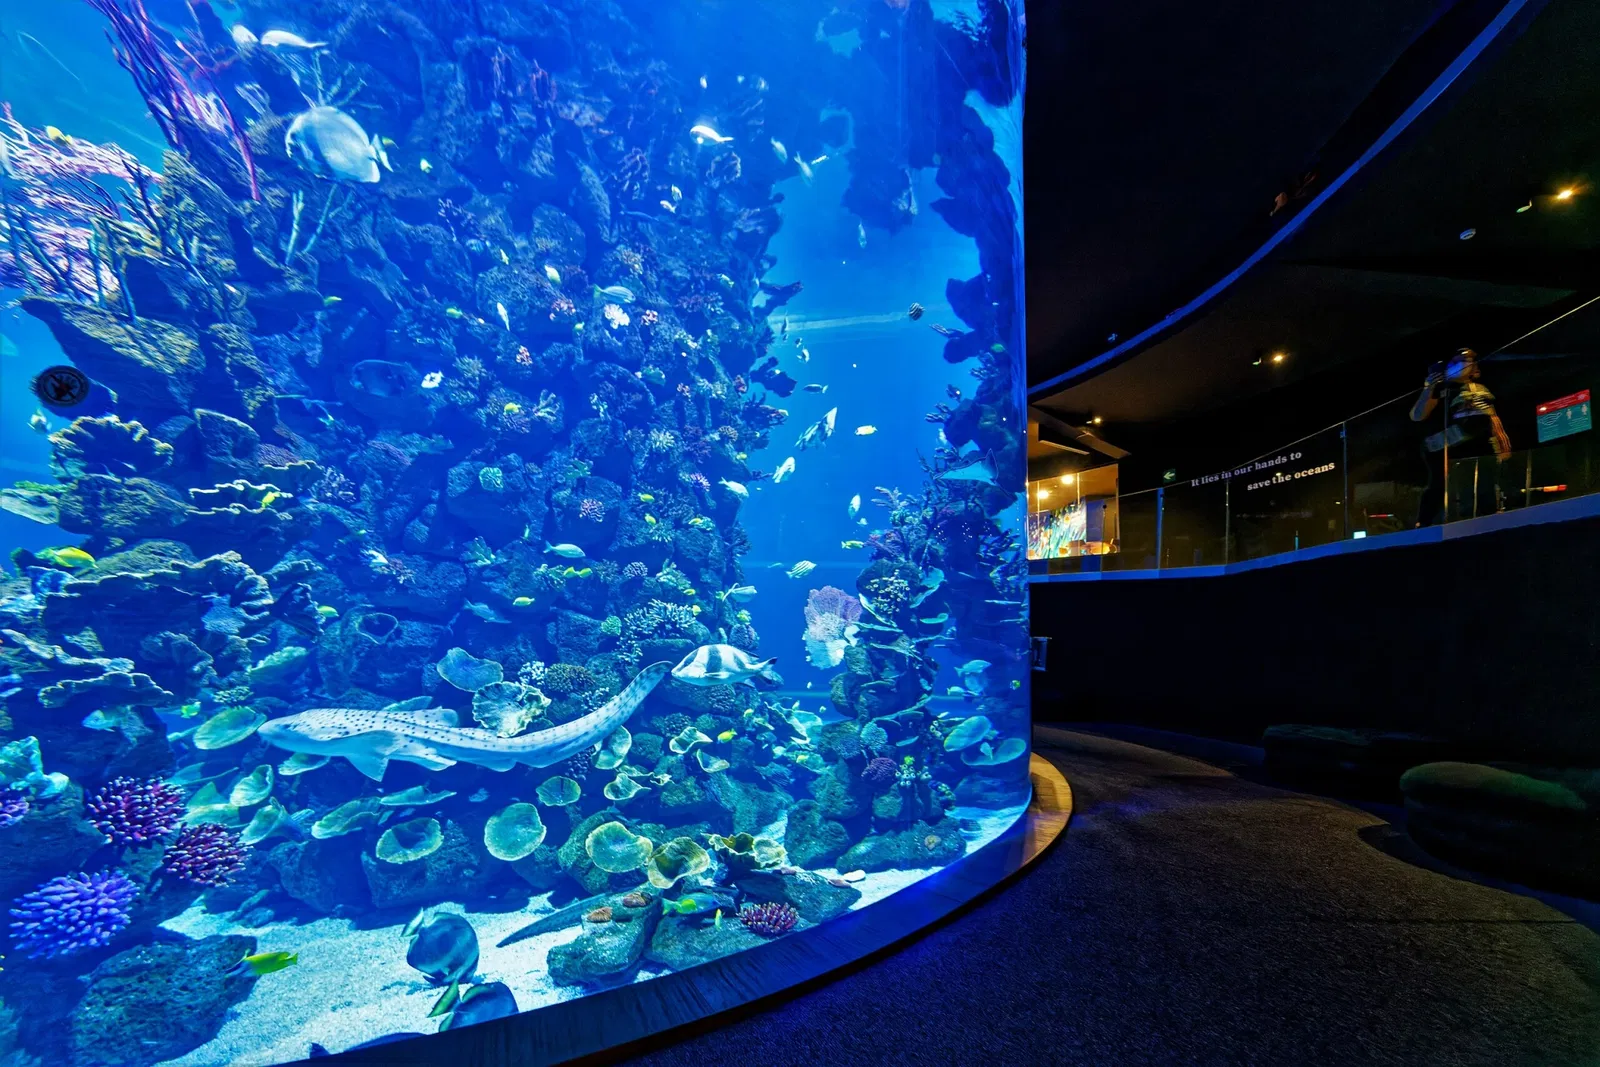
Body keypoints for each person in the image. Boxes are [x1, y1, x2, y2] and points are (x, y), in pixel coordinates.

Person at [1411, 347, 1511, 526]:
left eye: (1468, 361)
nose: (1464, 365)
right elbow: (1417, 415)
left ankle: (1487, 518)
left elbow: (1491, 416)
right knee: (1439, 485)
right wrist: (1429, 387)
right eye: (1458, 361)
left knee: (1483, 484)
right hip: (1446, 449)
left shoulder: (1479, 389)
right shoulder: (1442, 390)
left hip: (1479, 447)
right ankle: (1426, 522)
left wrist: (1501, 440)